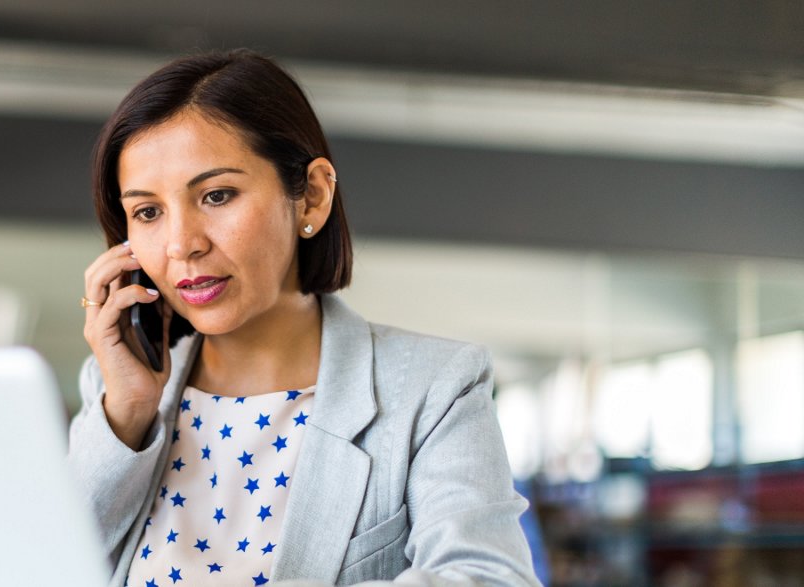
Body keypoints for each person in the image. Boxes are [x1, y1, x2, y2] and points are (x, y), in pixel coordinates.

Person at [68, 48, 539, 587]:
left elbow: (489, 579)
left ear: (311, 197)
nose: (181, 246)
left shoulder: (434, 389)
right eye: (148, 212)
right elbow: (37, 567)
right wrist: (126, 414)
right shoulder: (115, 397)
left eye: (217, 195)